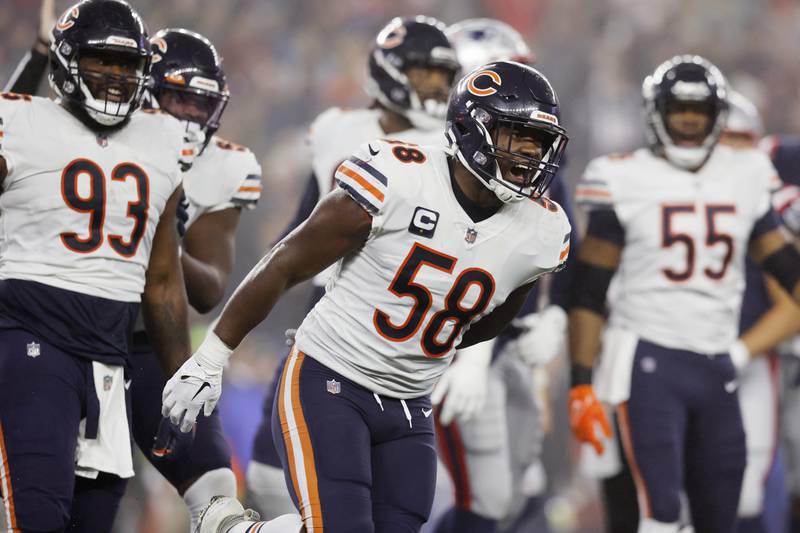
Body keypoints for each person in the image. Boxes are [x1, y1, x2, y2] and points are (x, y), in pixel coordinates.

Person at [167, 60, 572, 533]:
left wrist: (426, 345)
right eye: (516, 135)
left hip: (410, 402)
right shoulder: (398, 178)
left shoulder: (543, 230)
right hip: (330, 378)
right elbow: (286, 264)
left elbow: (493, 317)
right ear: (473, 129)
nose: (529, 152)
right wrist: (212, 355)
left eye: (539, 142)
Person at [3, 12, 264, 528]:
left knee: (98, 516)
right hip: (35, 332)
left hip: (118, 351)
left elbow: (173, 284)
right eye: (102, 60)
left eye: (126, 64)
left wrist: (183, 378)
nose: (188, 117)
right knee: (37, 510)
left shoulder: (166, 144)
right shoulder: (33, 122)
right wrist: (36, 56)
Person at [568, 55, 800, 533]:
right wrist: (581, 383)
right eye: (680, 110)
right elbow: (590, 293)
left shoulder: (746, 175)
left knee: (723, 514)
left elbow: (785, 267)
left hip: (718, 364)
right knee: (662, 514)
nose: (691, 121)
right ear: (656, 114)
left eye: (700, 111)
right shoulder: (623, 178)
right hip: (650, 361)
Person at [244, 15, 458, 521]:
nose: (435, 86)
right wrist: (257, 310)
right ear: (387, 71)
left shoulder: (451, 146)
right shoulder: (336, 128)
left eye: (442, 75)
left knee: (381, 485)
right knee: (266, 470)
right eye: (423, 72)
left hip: (403, 310)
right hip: (328, 305)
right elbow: (300, 229)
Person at [430, 17, 576, 533]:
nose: (528, 121)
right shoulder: (431, 167)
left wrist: (553, 311)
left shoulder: (530, 162)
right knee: (474, 496)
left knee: (515, 489)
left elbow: (557, 244)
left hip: (508, 343)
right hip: (439, 346)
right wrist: (472, 351)